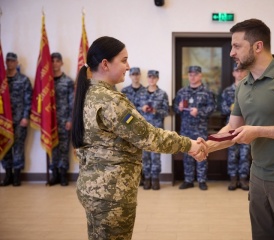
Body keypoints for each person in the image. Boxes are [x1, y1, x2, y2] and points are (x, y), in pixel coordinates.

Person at [71, 36, 207, 240]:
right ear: (105, 64)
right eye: (124, 60)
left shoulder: (89, 92)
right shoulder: (110, 100)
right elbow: (149, 137)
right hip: (111, 193)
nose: (128, 66)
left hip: (93, 187)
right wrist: (189, 144)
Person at [206, 19, 274, 240]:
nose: (231, 53)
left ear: (257, 46)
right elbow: (234, 128)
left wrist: (258, 131)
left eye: (237, 46)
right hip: (258, 177)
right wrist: (207, 146)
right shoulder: (243, 85)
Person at [173, 65, 216, 191]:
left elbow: (212, 108)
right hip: (186, 128)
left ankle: (202, 180)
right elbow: (175, 109)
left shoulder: (207, 92)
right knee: (187, 154)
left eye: (195, 74)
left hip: (200, 128)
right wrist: (179, 108)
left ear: (200, 75)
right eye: (190, 75)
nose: (192, 77)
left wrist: (200, 112)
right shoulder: (182, 92)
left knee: (201, 152)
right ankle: (188, 180)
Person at [0, 52, 32, 187]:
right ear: (5, 63)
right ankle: (8, 175)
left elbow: (28, 100)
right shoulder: (2, 80)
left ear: (17, 62)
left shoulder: (24, 80)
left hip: (19, 120)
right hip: (3, 121)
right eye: (8, 61)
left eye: (13, 61)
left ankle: (17, 176)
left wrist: (25, 117)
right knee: (5, 147)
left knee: (18, 148)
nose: (10, 63)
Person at [134, 70, 169, 190]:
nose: (152, 79)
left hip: (156, 130)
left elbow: (166, 112)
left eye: (154, 77)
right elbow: (133, 111)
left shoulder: (162, 94)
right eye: (150, 77)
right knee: (145, 156)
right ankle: (147, 179)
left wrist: (156, 111)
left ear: (157, 79)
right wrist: (141, 108)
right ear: (147, 79)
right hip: (143, 130)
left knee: (156, 156)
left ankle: (155, 179)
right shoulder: (141, 93)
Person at [221, 64, 251, 191]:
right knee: (232, 154)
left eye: (242, 70)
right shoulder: (227, 91)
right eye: (237, 71)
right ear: (233, 73)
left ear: (246, 72)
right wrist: (232, 109)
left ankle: (243, 179)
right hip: (231, 127)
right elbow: (222, 109)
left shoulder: (250, 89)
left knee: (245, 154)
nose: (239, 73)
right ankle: (233, 179)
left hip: (246, 126)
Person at [48, 52, 74, 186]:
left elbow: (72, 102)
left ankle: (63, 174)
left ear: (62, 63)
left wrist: (70, 119)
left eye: (58, 61)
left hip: (64, 120)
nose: (55, 64)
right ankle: (54, 174)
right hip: (50, 121)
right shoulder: (46, 82)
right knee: (52, 147)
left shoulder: (68, 81)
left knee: (64, 148)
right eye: (52, 61)